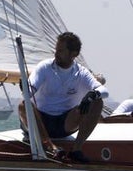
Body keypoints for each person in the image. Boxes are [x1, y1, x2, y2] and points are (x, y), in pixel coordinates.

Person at [18, 31, 105, 163]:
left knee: (97, 102)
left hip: (65, 124)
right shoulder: (44, 67)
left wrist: (93, 94)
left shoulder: (81, 72)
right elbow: (30, 89)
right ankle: (50, 147)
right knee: (23, 105)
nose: (56, 53)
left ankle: (76, 149)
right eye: (56, 50)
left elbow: (103, 90)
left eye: (60, 51)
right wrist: (25, 88)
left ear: (73, 54)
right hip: (41, 121)